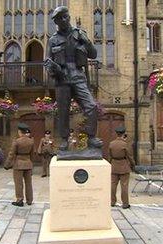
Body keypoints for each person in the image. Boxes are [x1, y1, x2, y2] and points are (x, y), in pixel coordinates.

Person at [45, 6, 103, 151]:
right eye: (60, 18)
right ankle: (64, 140)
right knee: (63, 111)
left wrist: (87, 42)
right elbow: (47, 61)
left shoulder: (79, 34)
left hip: (78, 76)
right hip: (62, 78)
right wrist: (53, 69)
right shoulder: (53, 40)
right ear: (56, 22)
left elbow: (93, 54)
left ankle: (91, 137)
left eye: (65, 16)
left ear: (69, 17)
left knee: (91, 106)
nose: (64, 20)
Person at [4, 123, 35, 207]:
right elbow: (32, 154)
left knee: (18, 183)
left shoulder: (17, 141)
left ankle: (20, 200)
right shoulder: (31, 141)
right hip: (28, 163)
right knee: (28, 183)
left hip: (18, 164)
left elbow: (11, 154)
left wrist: (7, 164)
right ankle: (29, 200)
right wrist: (31, 164)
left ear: (20, 132)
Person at [108, 126, 135, 209]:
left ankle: (112, 201)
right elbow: (129, 156)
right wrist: (133, 164)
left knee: (113, 185)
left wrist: (110, 163)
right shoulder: (125, 144)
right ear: (123, 134)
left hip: (114, 165)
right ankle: (125, 204)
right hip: (123, 166)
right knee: (124, 186)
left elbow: (109, 156)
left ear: (116, 133)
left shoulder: (111, 143)